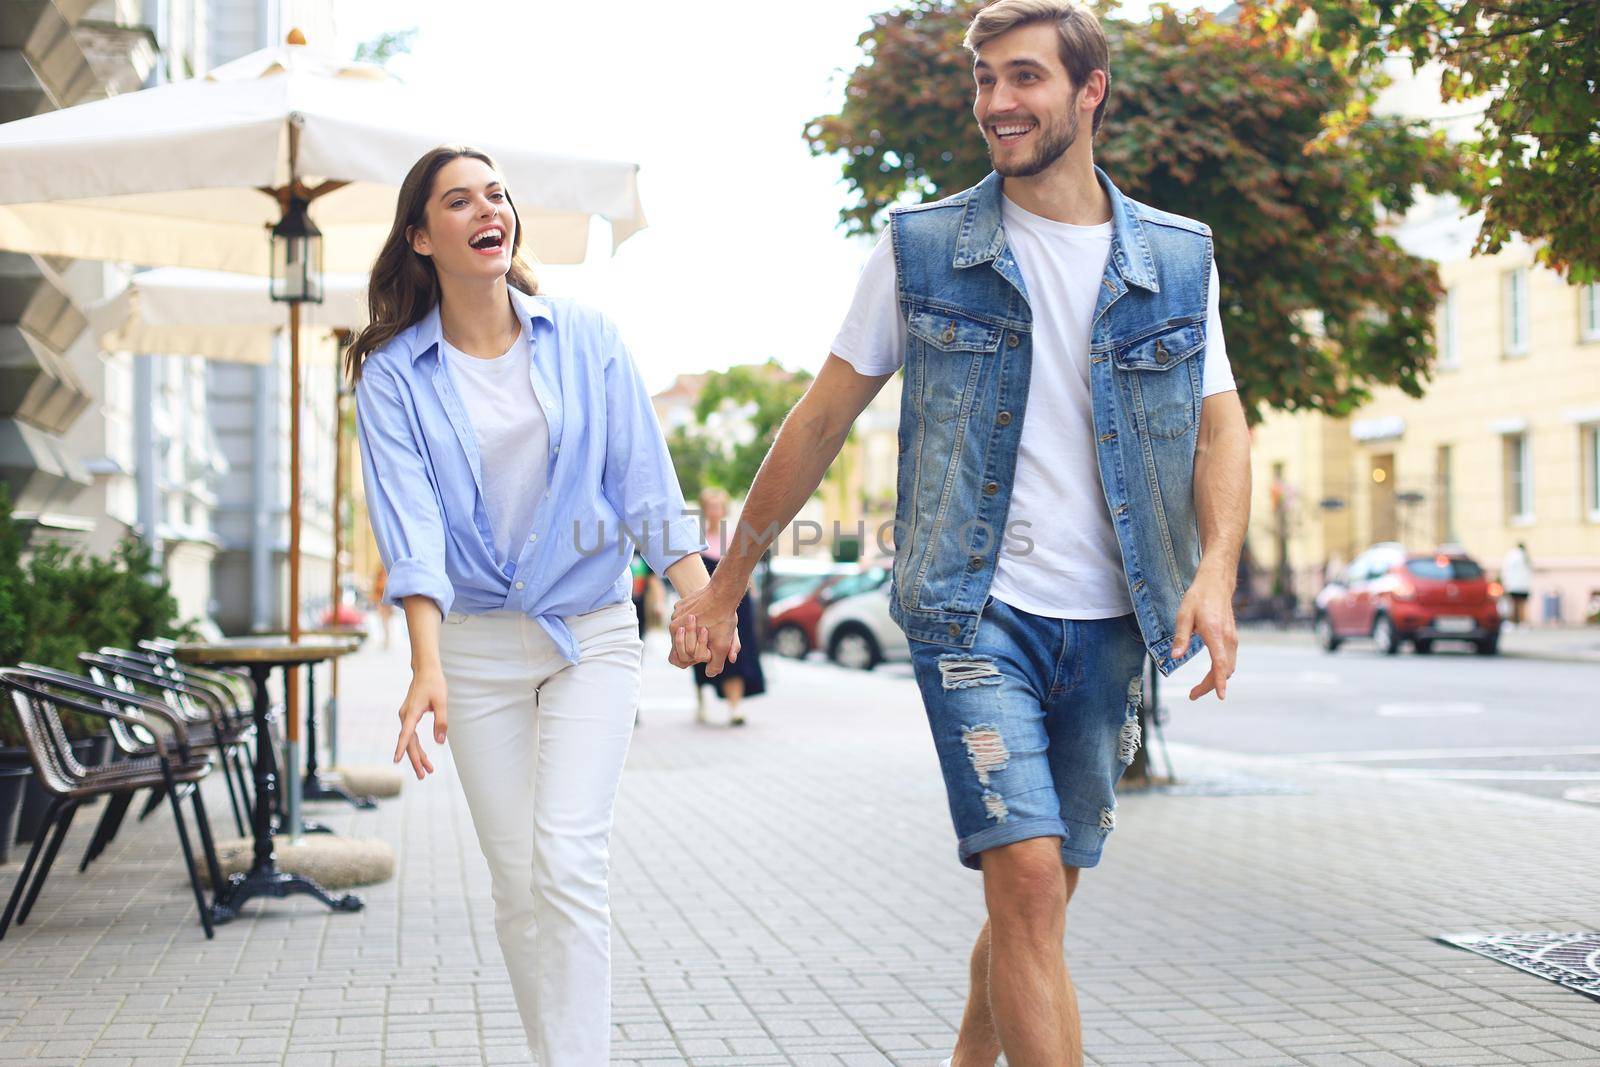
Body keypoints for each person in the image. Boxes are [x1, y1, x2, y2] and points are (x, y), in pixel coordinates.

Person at [669, 3, 1252, 1064]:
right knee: (1026, 877)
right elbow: (820, 417)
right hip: (974, 608)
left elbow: (1220, 426)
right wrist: (722, 584)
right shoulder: (925, 247)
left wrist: (1212, 574)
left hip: (1116, 618)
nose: (994, 103)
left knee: (1040, 894)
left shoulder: (1177, 259)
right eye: (983, 80)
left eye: (1021, 78)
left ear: (1089, 93)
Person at [349, 145, 722, 1066]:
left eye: (497, 194)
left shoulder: (585, 337)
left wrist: (700, 599)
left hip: (589, 633)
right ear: (421, 235)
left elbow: (644, 480)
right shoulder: (395, 374)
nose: (489, 209)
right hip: (474, 651)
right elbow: (413, 528)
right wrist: (425, 663)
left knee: (566, 861)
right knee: (519, 885)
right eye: (459, 199)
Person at [690, 488, 766, 726]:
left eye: (718, 506)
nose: (714, 511)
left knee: (737, 652)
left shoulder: (733, 535)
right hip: (704, 599)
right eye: (710, 506)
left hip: (737, 602)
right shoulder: (696, 536)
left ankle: (735, 707)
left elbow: (745, 568)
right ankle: (702, 699)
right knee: (702, 649)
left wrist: (751, 592)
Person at [1501, 541, 1532, 627]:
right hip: (1524, 586)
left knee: (1513, 605)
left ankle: (1513, 622)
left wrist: (1505, 582)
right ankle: (1522, 622)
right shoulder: (1526, 556)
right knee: (1522, 605)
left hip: (1513, 585)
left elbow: (1506, 570)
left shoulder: (1511, 555)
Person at [370, 562, 393, 648]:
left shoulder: (385, 574)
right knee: (384, 621)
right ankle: (386, 638)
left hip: (385, 600)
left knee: (385, 621)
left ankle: (387, 638)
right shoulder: (381, 574)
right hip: (382, 600)